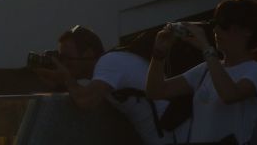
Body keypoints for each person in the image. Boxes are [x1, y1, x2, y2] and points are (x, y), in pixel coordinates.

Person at [146, 0, 257, 145]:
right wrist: (159, 54)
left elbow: (230, 95)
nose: (216, 30)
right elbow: (156, 91)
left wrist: (206, 48)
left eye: (224, 25)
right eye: (216, 24)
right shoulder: (207, 69)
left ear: (247, 31)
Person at [34, 25, 179, 144]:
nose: (63, 63)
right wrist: (58, 82)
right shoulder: (109, 67)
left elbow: (86, 101)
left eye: (65, 57)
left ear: (88, 53)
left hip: (177, 136)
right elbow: (86, 93)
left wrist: (65, 78)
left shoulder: (109, 62)